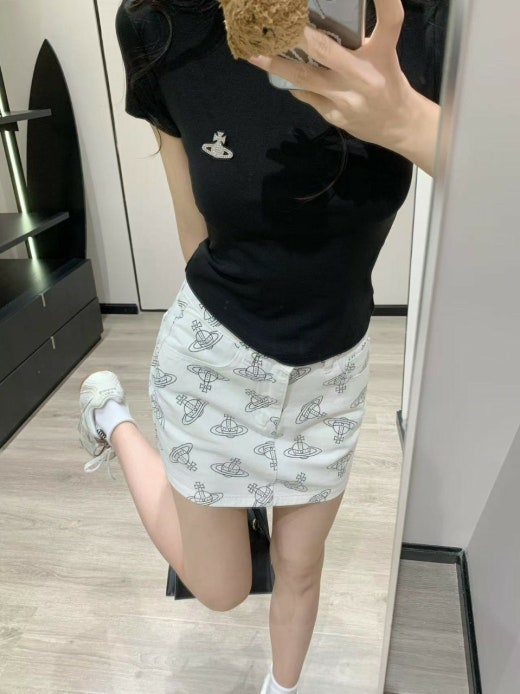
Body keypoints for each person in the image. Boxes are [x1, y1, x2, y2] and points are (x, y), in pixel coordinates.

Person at [78, 1, 448, 692]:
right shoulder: (160, 23)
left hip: (332, 373)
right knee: (219, 589)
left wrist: (408, 121)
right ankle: (110, 416)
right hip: (214, 358)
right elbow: (194, 228)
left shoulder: (412, 16)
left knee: (300, 567)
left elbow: (498, 186)